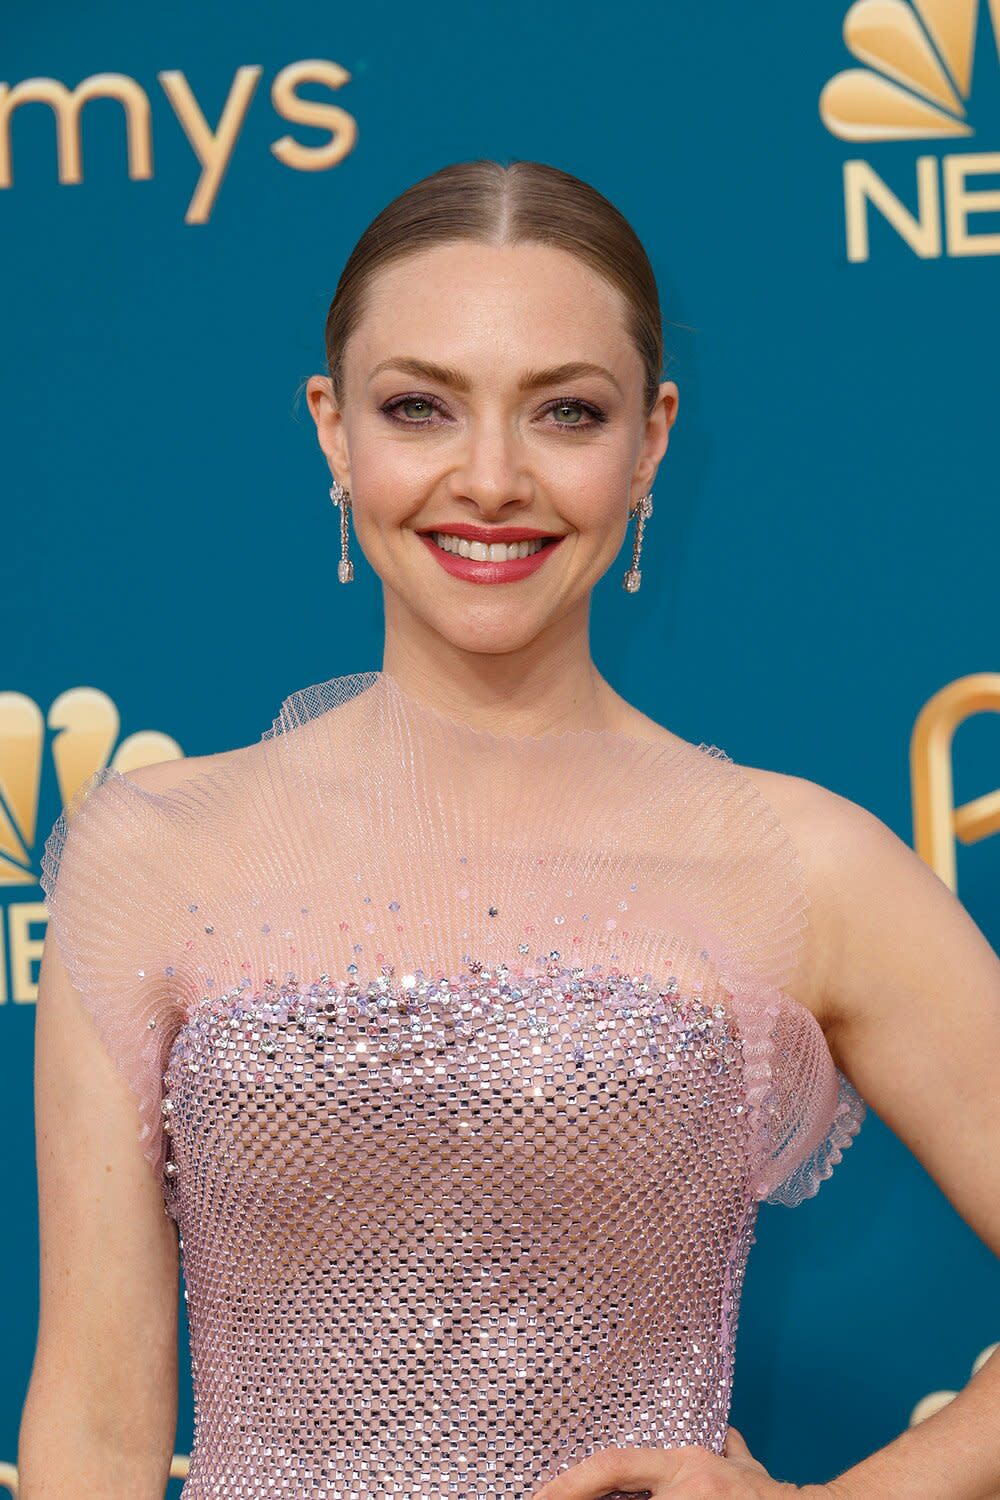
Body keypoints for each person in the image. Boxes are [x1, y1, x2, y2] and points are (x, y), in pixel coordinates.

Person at [20, 159, 1000, 1500]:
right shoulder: (151, 855)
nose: (490, 479)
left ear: (653, 438)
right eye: (420, 407)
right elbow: (96, 1433)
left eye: (567, 413)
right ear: (332, 429)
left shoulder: (800, 865)